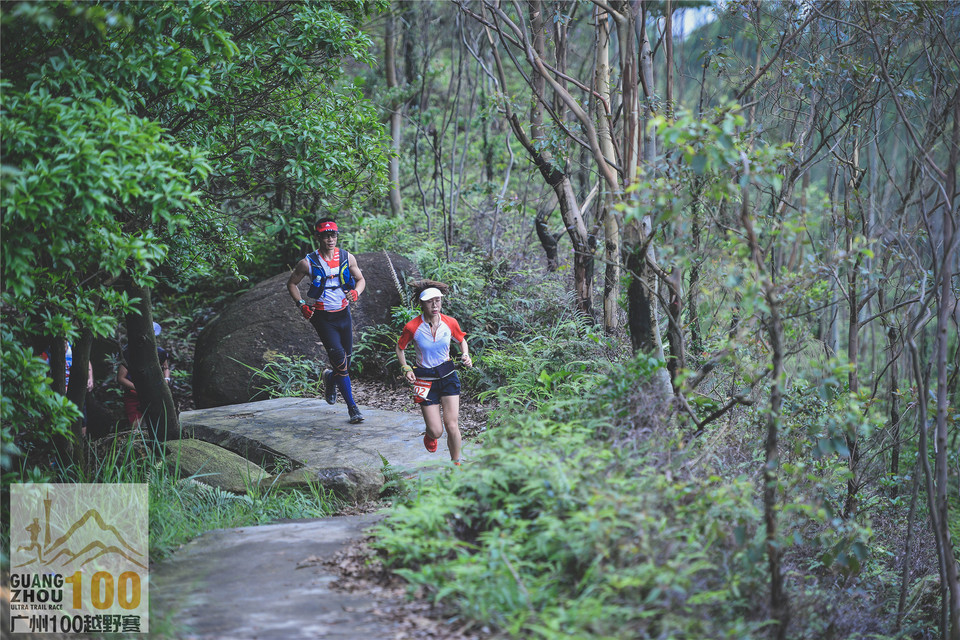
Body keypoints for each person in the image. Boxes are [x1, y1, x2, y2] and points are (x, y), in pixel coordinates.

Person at [286, 218, 367, 424]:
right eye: (325, 235)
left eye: (333, 235)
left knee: (346, 361)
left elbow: (361, 280)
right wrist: (301, 304)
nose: (330, 239)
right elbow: (292, 284)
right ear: (318, 237)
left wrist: (356, 293)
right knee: (341, 362)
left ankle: (330, 378)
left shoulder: (347, 257)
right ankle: (352, 408)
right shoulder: (307, 262)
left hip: (343, 314)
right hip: (323, 318)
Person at [395, 281, 472, 465]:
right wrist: (406, 368)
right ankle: (430, 435)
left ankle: (456, 464)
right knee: (437, 431)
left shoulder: (450, 322)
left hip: (448, 376)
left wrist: (466, 354)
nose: (435, 305)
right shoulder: (412, 327)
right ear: (422, 304)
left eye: (438, 301)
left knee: (452, 425)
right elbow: (400, 348)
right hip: (424, 381)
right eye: (430, 301)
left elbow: (461, 340)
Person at [117, 322, 170, 428]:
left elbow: (166, 367)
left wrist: (166, 380)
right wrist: (139, 388)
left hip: (156, 393)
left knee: (158, 424)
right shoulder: (129, 353)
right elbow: (121, 378)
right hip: (134, 395)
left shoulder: (160, 353)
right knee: (136, 427)